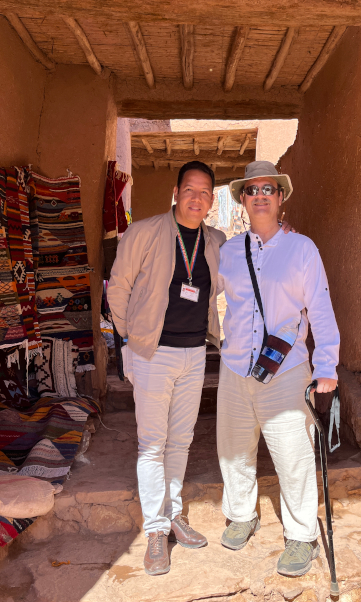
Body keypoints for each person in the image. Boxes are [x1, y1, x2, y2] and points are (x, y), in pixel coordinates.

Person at [216, 160, 340, 577]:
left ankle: (301, 535)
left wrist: (326, 366)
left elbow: (320, 308)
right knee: (233, 448)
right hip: (235, 368)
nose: (260, 196)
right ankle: (240, 514)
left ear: (280, 197)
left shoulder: (302, 248)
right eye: (252, 190)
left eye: (269, 188)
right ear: (242, 201)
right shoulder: (229, 252)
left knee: (293, 455)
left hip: (285, 369)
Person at [108, 161, 225, 576]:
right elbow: (117, 288)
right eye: (190, 189)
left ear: (212, 199)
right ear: (176, 192)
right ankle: (156, 530)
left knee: (182, 440)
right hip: (153, 353)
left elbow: (233, 281)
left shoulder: (215, 240)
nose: (198, 197)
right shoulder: (144, 232)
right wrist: (129, 339)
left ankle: (173, 514)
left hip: (195, 354)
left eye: (206, 191)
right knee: (152, 444)